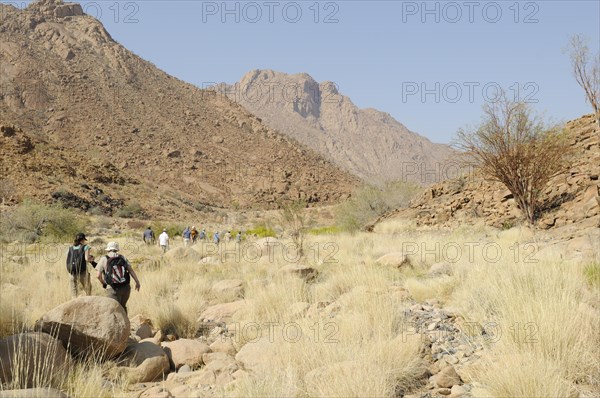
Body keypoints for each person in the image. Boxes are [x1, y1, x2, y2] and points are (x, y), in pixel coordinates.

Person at [96, 242, 141, 313]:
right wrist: (137, 282)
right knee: (123, 307)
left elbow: (98, 275)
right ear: (116, 249)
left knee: (114, 310)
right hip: (125, 287)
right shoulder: (123, 257)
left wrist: (103, 283)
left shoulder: (104, 259)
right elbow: (131, 270)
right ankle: (126, 323)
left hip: (112, 288)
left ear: (108, 249)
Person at [66, 232, 93, 298]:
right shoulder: (86, 247)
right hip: (82, 272)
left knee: (74, 292)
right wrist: (92, 259)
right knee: (88, 290)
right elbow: (87, 259)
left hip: (72, 272)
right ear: (82, 240)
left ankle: (74, 304)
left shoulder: (71, 248)